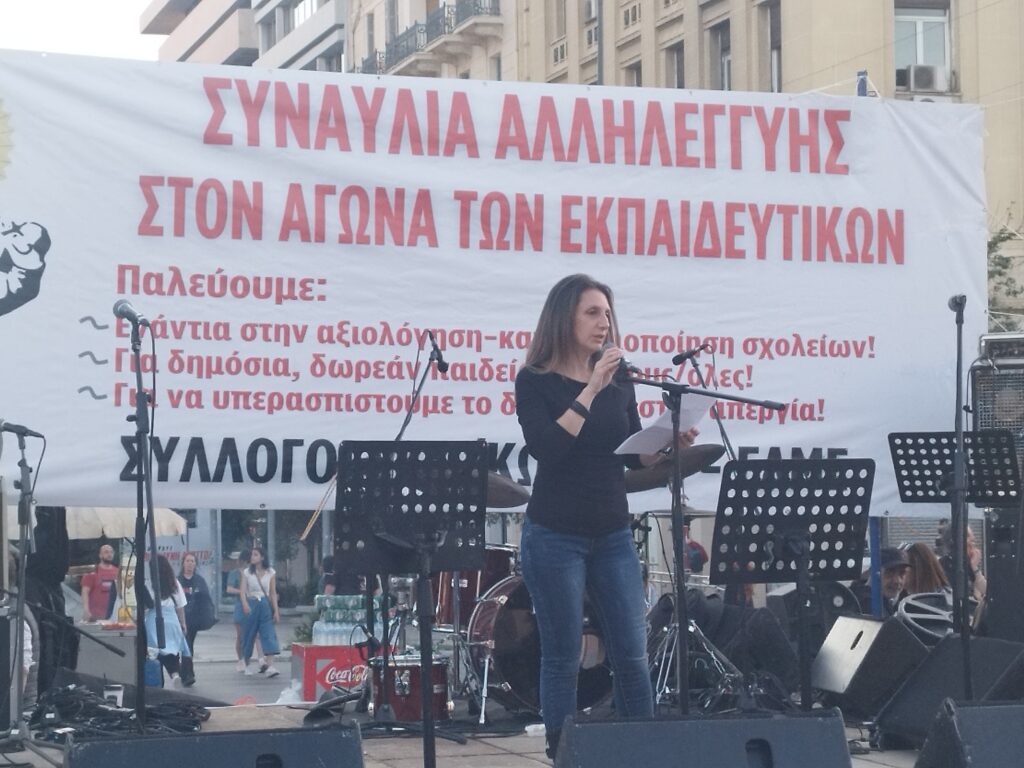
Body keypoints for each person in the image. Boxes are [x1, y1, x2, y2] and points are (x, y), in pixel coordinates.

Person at [515, 274, 698, 760]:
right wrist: (591, 387)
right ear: (565, 318)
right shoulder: (535, 380)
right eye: (592, 312)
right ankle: (565, 753)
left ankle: (642, 752)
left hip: (613, 532)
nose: (604, 322)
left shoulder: (620, 378)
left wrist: (666, 441)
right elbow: (549, 448)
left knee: (633, 653)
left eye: (608, 313)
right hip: (554, 535)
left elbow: (633, 454)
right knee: (563, 656)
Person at [144, 554, 190, 688]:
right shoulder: (174, 583)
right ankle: (174, 674)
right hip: (172, 620)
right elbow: (180, 606)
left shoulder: (148, 584)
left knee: (155, 652)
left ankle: (158, 682)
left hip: (154, 621)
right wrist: (183, 623)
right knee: (171, 650)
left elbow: (146, 605)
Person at [240, 547, 281, 677]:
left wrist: (276, 610)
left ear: (262, 557)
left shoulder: (270, 572)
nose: (252, 557)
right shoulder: (247, 572)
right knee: (249, 634)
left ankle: (270, 665)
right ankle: (246, 664)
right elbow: (242, 591)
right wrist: (245, 604)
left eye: (256, 554)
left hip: (265, 604)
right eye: (252, 555)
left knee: (268, 633)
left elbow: (273, 593)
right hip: (252, 603)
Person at [177, 552, 215, 687]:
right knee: (184, 645)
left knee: (188, 645)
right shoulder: (178, 580)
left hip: (193, 619)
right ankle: (186, 673)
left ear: (195, 564)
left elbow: (206, 599)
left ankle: (186, 673)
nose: (190, 564)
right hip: (180, 618)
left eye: (192, 561)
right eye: (187, 561)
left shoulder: (199, 581)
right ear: (183, 563)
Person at [225, 551, 260, 671]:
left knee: (251, 635)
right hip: (240, 605)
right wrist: (242, 591)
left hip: (253, 605)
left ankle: (247, 659)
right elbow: (229, 589)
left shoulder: (255, 573)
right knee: (241, 635)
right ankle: (241, 659)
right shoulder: (235, 573)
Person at [852, 547, 911, 617]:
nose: (897, 581)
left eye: (902, 573)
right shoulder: (865, 605)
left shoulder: (904, 602)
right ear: (873, 573)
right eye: (890, 572)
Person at [938, 523, 987, 602]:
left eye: (972, 535)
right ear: (954, 541)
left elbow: (986, 591)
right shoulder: (943, 565)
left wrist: (975, 567)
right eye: (967, 536)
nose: (973, 539)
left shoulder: (969, 565)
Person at [80, 544, 118, 622]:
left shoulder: (118, 572)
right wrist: (86, 610)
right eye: (106, 552)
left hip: (114, 616)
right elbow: (85, 592)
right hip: (95, 617)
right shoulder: (92, 572)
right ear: (100, 555)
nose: (109, 554)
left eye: (111, 552)